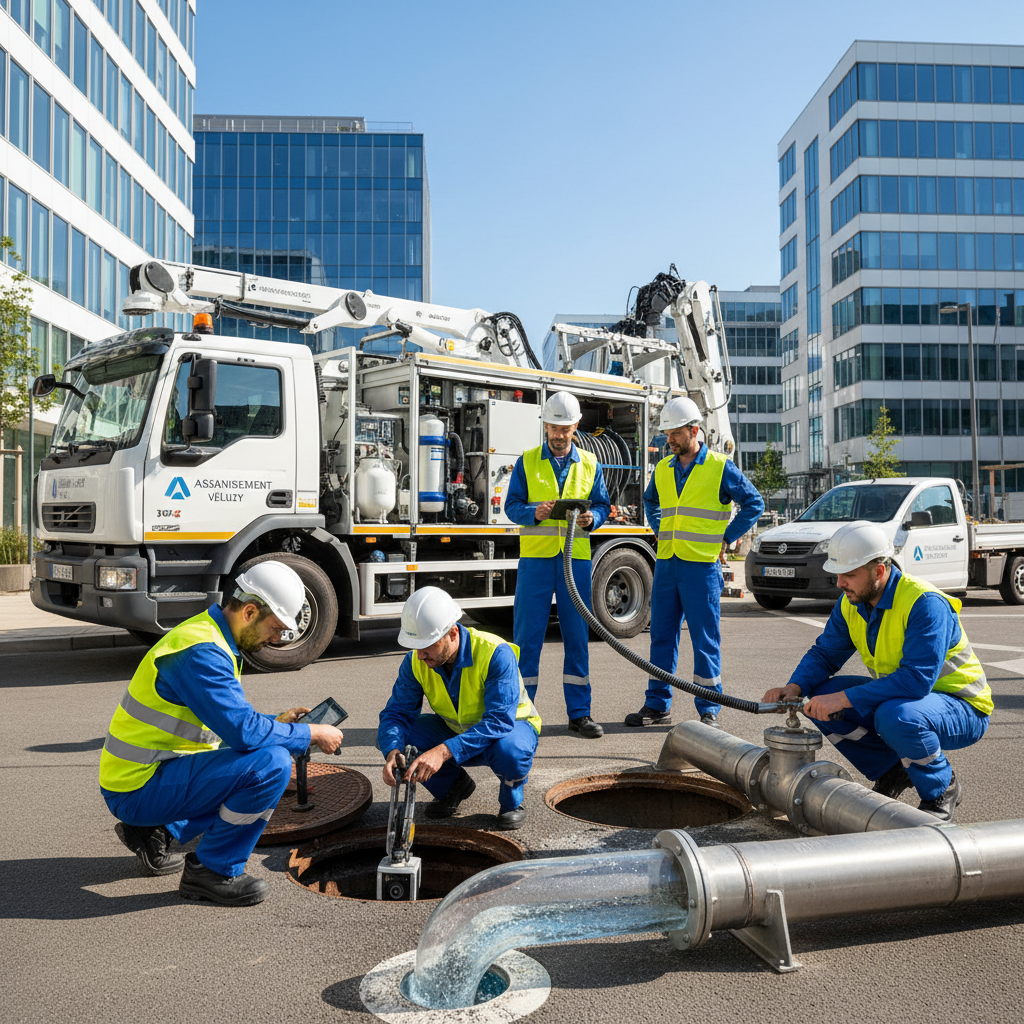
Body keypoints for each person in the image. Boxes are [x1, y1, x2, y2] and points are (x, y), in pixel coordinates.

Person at [99, 561, 344, 906]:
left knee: (261, 759)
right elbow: (244, 733)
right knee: (271, 765)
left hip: (143, 775)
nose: (277, 638)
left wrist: (276, 722)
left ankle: (156, 831)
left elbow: (222, 730)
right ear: (249, 611)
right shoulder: (203, 652)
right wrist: (308, 732)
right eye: (275, 628)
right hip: (136, 788)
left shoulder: (209, 635)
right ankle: (212, 871)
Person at [762, 520, 991, 821]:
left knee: (893, 716)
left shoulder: (924, 603)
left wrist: (844, 700)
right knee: (819, 696)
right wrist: (794, 688)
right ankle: (893, 771)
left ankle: (941, 788)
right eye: (838, 574)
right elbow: (825, 654)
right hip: (905, 699)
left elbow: (916, 680)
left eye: (849, 575)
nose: (840, 583)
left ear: (879, 571)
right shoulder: (851, 602)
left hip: (962, 706)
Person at [627, 396, 763, 729]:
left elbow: (754, 503)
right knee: (660, 636)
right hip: (668, 565)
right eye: (667, 433)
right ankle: (657, 705)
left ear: (694, 430)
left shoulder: (720, 467)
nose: (669, 439)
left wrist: (726, 537)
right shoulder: (662, 468)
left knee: (705, 639)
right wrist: (659, 526)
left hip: (702, 567)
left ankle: (709, 709)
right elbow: (650, 501)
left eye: (675, 433)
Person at [378, 587, 541, 830]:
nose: (420, 655)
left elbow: (498, 721)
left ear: (453, 633)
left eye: (427, 646)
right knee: (402, 738)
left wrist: (443, 751)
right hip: (456, 730)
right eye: (416, 646)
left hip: (508, 730)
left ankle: (511, 802)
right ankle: (453, 788)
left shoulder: (495, 653)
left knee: (511, 751)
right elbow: (397, 713)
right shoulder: (416, 660)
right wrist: (392, 750)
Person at [505, 390, 611, 738]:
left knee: (578, 638)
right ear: (545, 426)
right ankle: (521, 713)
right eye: (554, 427)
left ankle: (579, 714)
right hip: (535, 561)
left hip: (575, 561)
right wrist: (531, 512)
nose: (559, 434)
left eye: (565, 428)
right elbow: (512, 506)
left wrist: (592, 519)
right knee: (526, 639)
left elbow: (603, 506)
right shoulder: (527, 461)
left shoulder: (591, 464)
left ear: (575, 427)